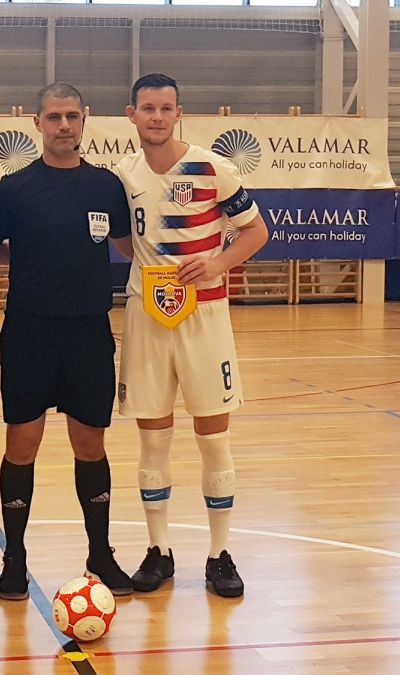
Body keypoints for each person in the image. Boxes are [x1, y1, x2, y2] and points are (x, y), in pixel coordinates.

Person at [0, 83, 135, 600]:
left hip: (89, 333)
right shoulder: (13, 189)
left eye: (71, 116)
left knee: (91, 445)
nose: (63, 125)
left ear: (84, 120)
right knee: (22, 446)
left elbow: (137, 251)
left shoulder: (107, 187)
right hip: (30, 334)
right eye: (53, 117)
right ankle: (14, 559)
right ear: (38, 125)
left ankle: (100, 553)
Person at [114, 73, 268, 598]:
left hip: (205, 316)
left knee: (213, 439)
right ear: (131, 114)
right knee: (152, 439)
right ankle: (159, 552)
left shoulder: (212, 168)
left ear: (179, 113)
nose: (157, 116)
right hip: (145, 315)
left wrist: (217, 261)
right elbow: (120, 239)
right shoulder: (123, 174)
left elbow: (256, 231)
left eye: (166, 108)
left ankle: (219, 555)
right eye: (147, 108)